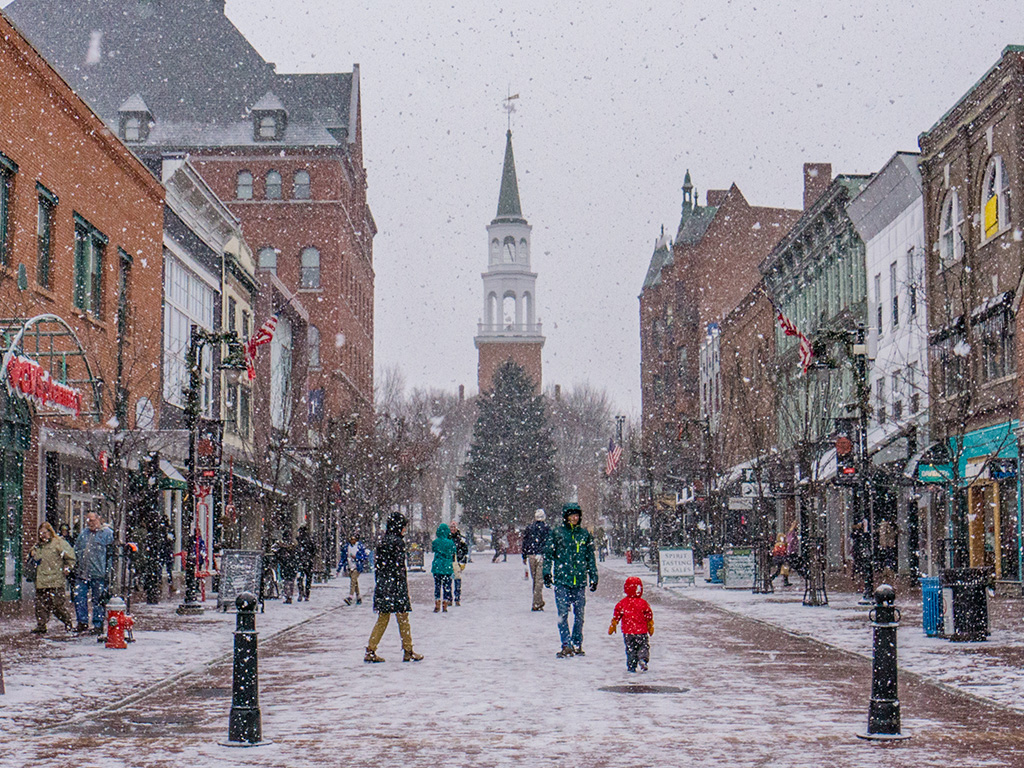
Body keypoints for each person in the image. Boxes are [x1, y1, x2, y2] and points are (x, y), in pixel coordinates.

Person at [365, 512, 423, 662]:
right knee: (403, 618)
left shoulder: (382, 542)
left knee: (383, 618)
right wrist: (401, 585)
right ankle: (408, 649)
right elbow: (399, 567)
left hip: (384, 584)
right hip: (396, 585)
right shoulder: (398, 543)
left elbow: (378, 566)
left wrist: (382, 582)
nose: (404, 530)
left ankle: (371, 649)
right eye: (403, 527)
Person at [543, 502, 598, 658]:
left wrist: (593, 576)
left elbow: (590, 558)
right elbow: (548, 555)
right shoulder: (557, 534)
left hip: (579, 580)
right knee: (563, 613)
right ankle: (566, 644)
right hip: (562, 579)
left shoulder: (584, 535)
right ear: (566, 517)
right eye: (572, 515)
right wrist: (547, 573)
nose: (575, 517)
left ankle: (577, 642)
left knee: (579, 614)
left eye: (577, 515)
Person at [30, 522, 76, 635]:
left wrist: (68, 567)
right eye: (40, 533)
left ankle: (68, 622)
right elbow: (32, 558)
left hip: (55, 580)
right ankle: (41, 625)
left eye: (45, 533)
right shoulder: (38, 546)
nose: (42, 535)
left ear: (50, 532)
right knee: (40, 606)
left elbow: (71, 557)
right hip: (41, 580)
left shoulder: (59, 543)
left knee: (57, 606)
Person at [73, 512, 114, 634]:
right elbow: (76, 549)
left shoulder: (107, 534)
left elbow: (111, 555)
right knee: (79, 596)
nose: (90, 523)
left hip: (99, 573)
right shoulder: (83, 534)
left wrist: (108, 572)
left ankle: (98, 624)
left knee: (98, 599)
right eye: (88, 521)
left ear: (99, 519)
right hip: (82, 572)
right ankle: (82, 622)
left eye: (92, 520)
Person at [608, 576, 654, 672]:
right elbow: (648, 614)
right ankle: (643, 659)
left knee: (630, 648)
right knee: (643, 646)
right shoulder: (643, 603)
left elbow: (617, 613)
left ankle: (631, 665)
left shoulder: (623, 603)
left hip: (628, 631)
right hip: (641, 631)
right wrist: (650, 624)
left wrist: (614, 623)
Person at [522, 509, 550, 611]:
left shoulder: (529, 528)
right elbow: (549, 543)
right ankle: (537, 602)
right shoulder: (546, 528)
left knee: (535, 579)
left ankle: (537, 601)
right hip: (541, 555)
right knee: (539, 580)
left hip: (531, 555)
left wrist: (524, 555)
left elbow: (525, 542)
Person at [431, 523, 455, 613]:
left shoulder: (435, 542)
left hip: (437, 567)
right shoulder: (450, 543)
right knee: (446, 586)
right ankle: (445, 604)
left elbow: (433, 549)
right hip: (447, 568)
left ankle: (437, 603)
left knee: (437, 586)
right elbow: (453, 551)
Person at [341, 534, 369, 605]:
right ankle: (358, 597)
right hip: (350, 567)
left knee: (353, 581)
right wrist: (340, 568)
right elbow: (343, 557)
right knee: (355, 582)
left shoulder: (360, 547)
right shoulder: (347, 547)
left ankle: (350, 597)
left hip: (357, 567)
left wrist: (356, 557)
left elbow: (364, 556)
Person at [296, 525, 317, 602]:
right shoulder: (310, 540)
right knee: (308, 578)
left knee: (300, 578)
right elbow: (314, 551)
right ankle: (307, 594)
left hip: (302, 561)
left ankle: (301, 592)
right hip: (308, 561)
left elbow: (297, 551)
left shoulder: (299, 540)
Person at [450, 521, 468, 606]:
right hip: (449, 561)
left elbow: (465, 550)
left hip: (457, 562)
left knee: (457, 580)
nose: (453, 529)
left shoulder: (460, 539)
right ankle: (449, 598)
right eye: (451, 527)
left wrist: (462, 560)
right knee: (448, 580)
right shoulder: (448, 538)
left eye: (454, 527)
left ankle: (457, 598)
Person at [275, 536, 298, 604]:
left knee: (286, 582)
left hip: (285, 566)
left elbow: (278, 555)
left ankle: (288, 596)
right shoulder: (293, 547)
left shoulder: (282, 548)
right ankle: (289, 595)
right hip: (291, 567)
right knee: (290, 581)